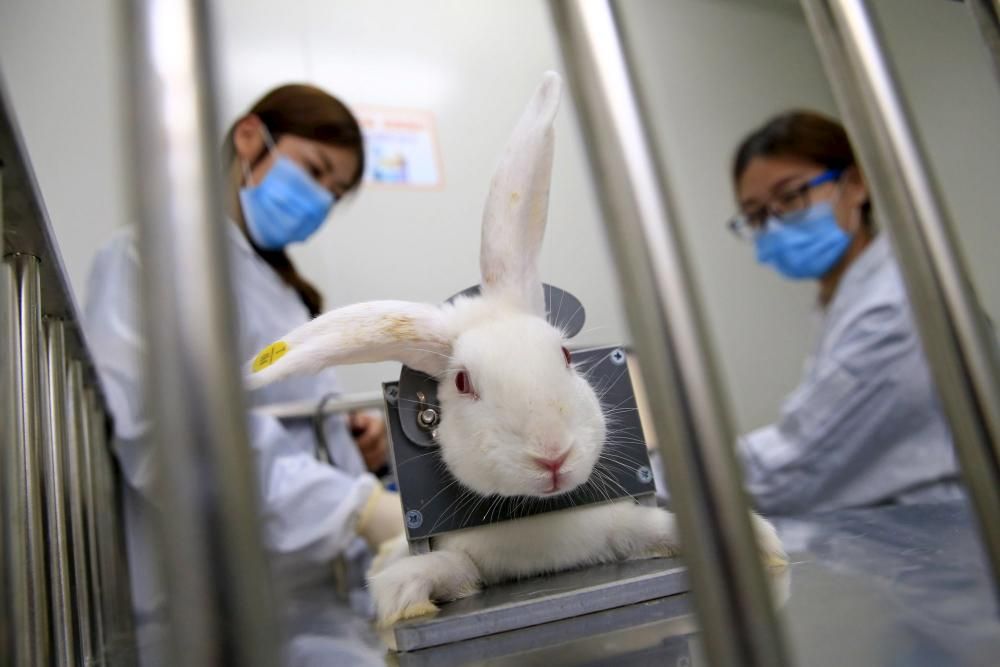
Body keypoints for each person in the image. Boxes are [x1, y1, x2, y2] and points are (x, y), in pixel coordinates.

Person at [84, 84, 403, 665]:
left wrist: (356, 445)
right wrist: (353, 508)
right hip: (215, 610)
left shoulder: (283, 292)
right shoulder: (152, 258)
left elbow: (285, 420)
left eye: (333, 194)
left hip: (315, 602)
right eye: (315, 170)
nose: (318, 202)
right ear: (251, 138)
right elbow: (174, 430)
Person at [728, 110, 964, 515]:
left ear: (855, 184)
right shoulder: (848, 302)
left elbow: (794, 470)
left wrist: (658, 476)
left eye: (789, 197)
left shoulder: (894, 309)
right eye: (756, 215)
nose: (774, 224)